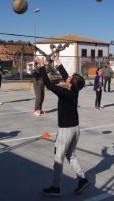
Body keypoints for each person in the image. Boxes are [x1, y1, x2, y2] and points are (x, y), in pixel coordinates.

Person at [35, 55, 90, 197]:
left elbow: (48, 85)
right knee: (70, 155)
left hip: (66, 131)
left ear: (69, 84)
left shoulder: (65, 93)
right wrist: (58, 63)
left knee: (58, 159)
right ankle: (82, 179)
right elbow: (67, 77)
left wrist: (42, 67)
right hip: (75, 129)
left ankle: (56, 187)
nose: (68, 77)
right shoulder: (74, 90)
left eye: (70, 78)